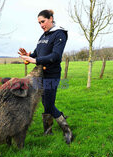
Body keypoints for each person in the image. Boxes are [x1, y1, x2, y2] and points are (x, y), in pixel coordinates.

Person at [18, 9, 73, 144]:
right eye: (39, 23)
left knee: (48, 103)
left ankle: (67, 130)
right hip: (40, 75)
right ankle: (48, 132)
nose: (41, 25)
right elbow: (37, 54)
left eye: (43, 21)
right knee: (45, 103)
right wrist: (28, 56)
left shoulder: (59, 34)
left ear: (51, 18)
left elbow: (55, 56)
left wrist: (34, 61)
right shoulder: (43, 36)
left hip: (51, 75)